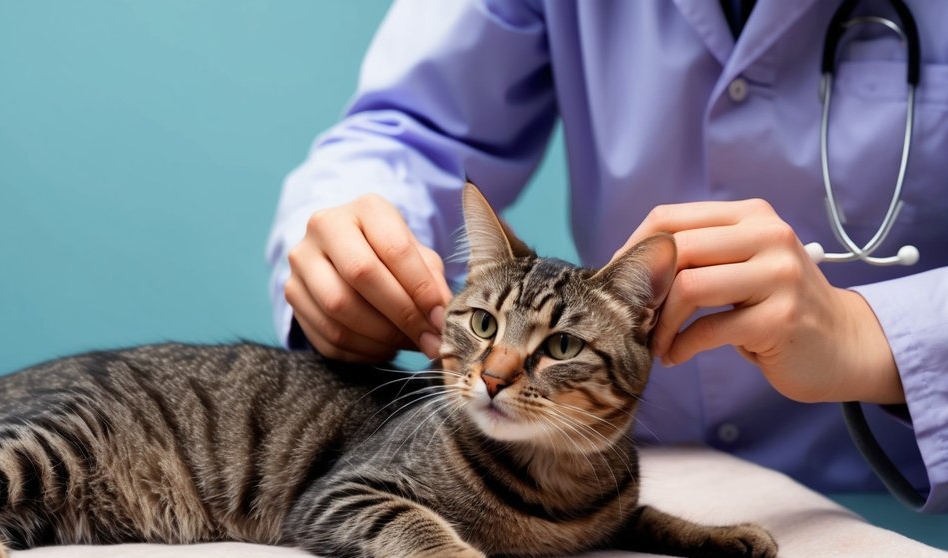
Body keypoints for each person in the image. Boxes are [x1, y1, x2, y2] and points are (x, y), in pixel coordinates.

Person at [265, 1, 946, 513]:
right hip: (590, 481)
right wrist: (357, 244)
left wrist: (876, 338)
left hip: (893, 500)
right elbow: (413, 128)